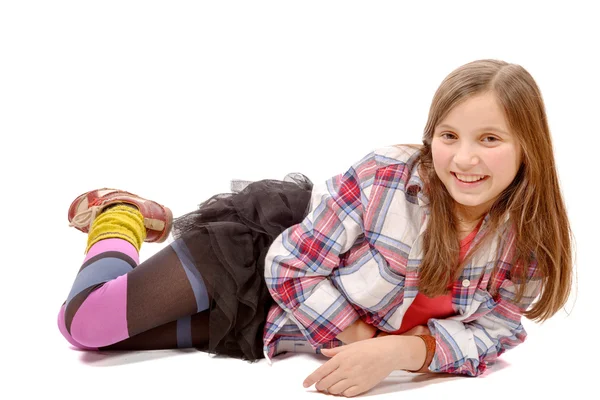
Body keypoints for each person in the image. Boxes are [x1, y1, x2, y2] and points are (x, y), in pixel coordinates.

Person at [58, 59, 573, 397]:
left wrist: (403, 351)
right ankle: (120, 216)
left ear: (530, 146)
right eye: (448, 135)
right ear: (429, 135)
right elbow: (289, 263)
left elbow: (500, 328)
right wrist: (354, 335)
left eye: (489, 139)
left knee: (116, 346)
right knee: (84, 325)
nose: (464, 159)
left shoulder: (524, 239)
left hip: (284, 327)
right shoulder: (387, 179)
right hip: (266, 253)